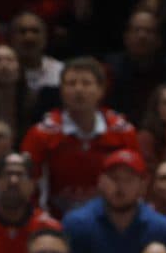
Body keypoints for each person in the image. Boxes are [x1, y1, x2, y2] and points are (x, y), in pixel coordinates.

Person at [21, 56, 143, 219]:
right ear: (61, 90)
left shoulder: (123, 133)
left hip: (110, 220)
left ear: (101, 90)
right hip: (54, 222)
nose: (79, 89)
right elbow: (28, 185)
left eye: (86, 83)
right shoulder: (41, 134)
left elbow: (136, 182)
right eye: (71, 84)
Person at [60, 149, 166, 253]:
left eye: (128, 179)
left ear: (143, 184)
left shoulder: (161, 229)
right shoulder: (77, 224)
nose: (120, 186)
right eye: (114, 178)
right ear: (100, 181)